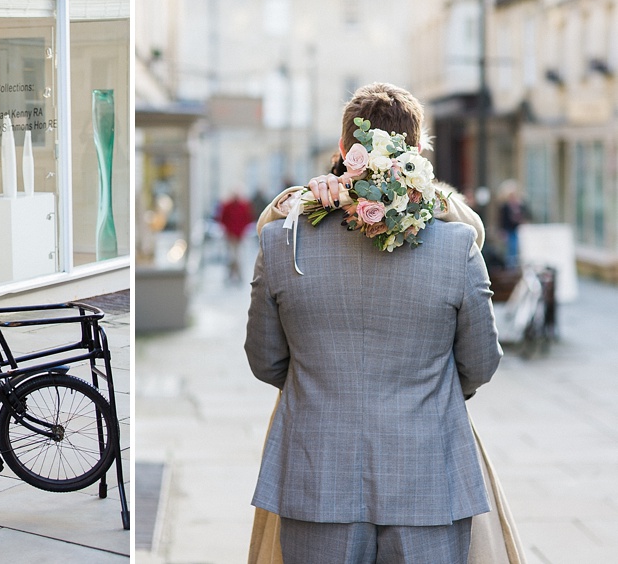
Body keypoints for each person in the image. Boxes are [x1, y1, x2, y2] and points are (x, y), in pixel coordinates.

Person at [245, 83, 503, 563]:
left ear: (344, 151)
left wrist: (319, 384)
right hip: (429, 477)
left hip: (316, 475)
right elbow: (481, 363)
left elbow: (265, 361)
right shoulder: (457, 246)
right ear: (418, 153)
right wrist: (433, 393)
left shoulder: (283, 243)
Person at [216, 191, 254, 282]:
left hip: (239, 235)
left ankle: (235, 274)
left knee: (238, 256)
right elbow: (222, 219)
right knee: (232, 256)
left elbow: (248, 218)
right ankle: (234, 274)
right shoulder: (227, 206)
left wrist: (243, 231)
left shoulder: (243, 206)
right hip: (231, 235)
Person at [497, 179, 529, 268]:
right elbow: (502, 219)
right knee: (510, 249)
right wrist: (502, 230)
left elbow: (526, 214)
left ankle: (515, 266)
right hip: (508, 229)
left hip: (517, 229)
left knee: (517, 249)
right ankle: (510, 267)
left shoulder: (519, 205)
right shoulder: (505, 206)